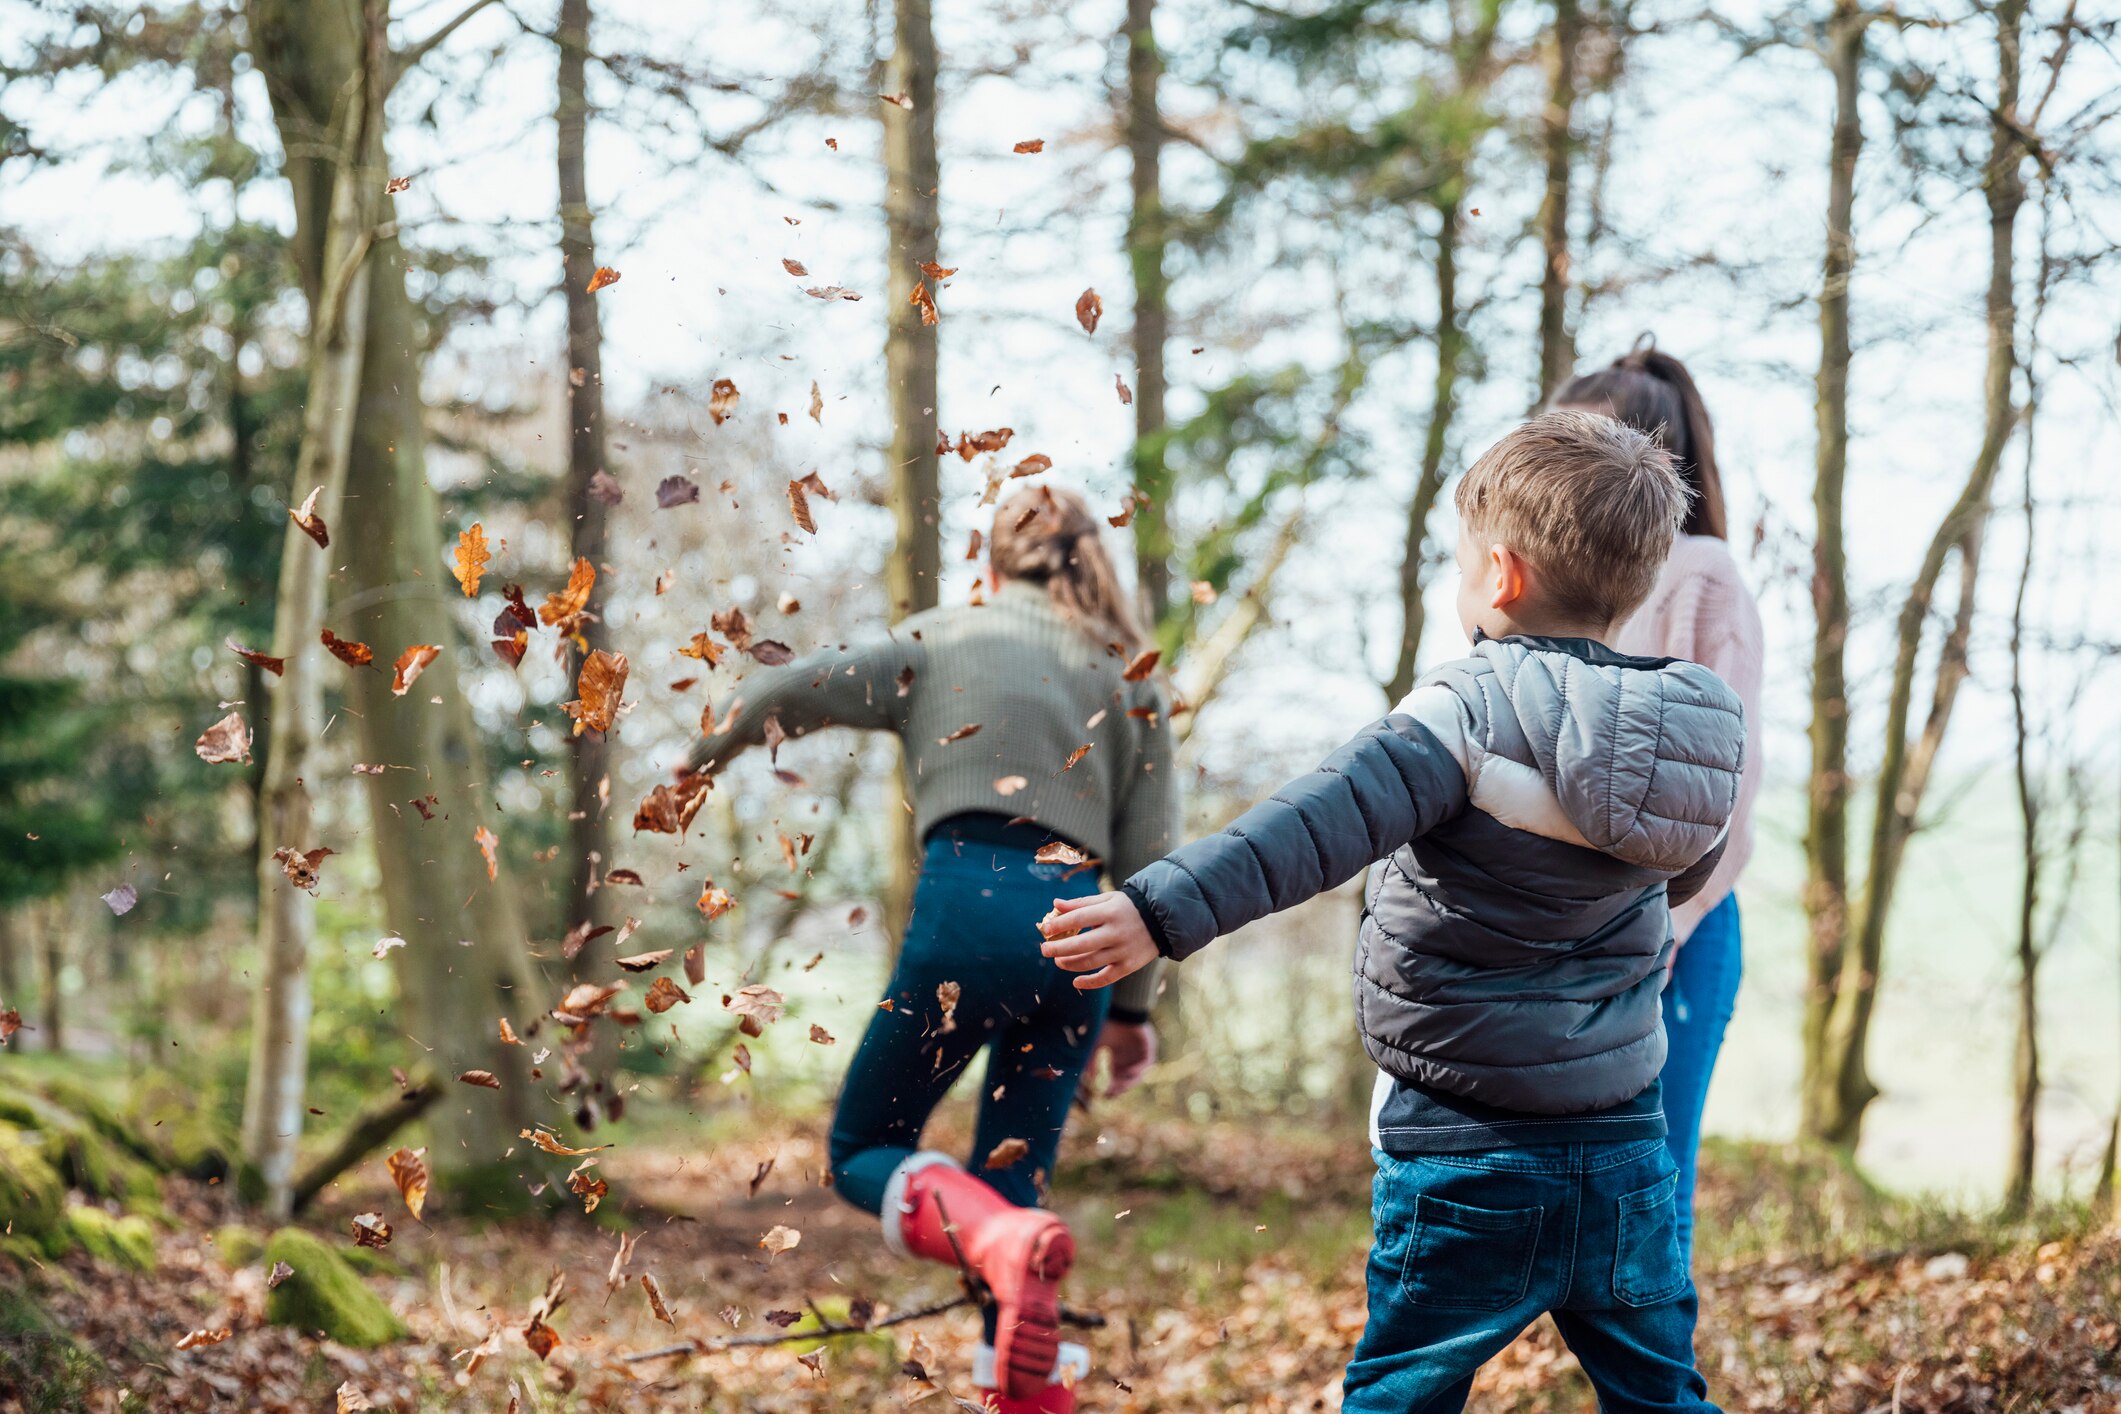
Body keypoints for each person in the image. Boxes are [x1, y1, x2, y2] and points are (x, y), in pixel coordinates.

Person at [1039, 411, 1742, 1413]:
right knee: (1661, 1392)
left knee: (1402, 1392)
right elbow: (1680, 878)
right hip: (1626, 1148)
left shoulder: (1466, 712)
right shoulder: (1693, 740)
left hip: (1467, 1152)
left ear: (1499, 577)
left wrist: (1158, 911)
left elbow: (1308, 829)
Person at [690, 484, 1173, 1412]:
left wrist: (703, 755)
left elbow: (796, 687)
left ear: (988, 565)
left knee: (863, 1148)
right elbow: (1154, 859)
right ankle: (1025, 1390)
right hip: (1083, 936)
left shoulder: (943, 636)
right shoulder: (1128, 669)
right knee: (1012, 1180)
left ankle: (992, 1243)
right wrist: (1135, 1011)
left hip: (967, 909)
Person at [1551, 342, 1765, 1263]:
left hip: (1676, 933)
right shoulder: (1543, 584)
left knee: (1648, 1197)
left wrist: (1663, 930)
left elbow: (1729, 782)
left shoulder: (1700, 573)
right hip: (1564, 933)